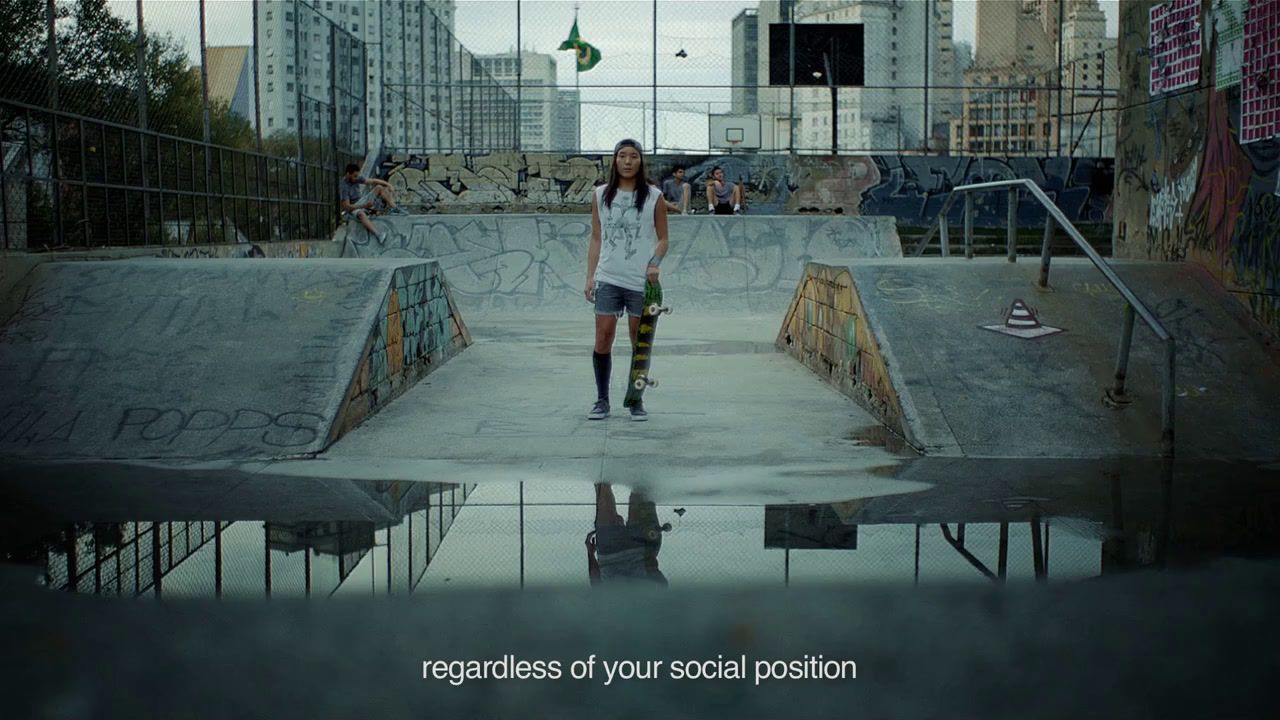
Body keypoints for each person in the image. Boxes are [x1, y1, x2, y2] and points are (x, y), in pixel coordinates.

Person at [584, 138, 669, 422]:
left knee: (639, 342)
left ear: (641, 161)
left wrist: (654, 263)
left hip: (640, 282)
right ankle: (601, 400)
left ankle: (636, 401)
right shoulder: (600, 195)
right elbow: (596, 238)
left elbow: (663, 239)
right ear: (615, 160)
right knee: (603, 337)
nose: (628, 161)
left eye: (634, 156)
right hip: (608, 276)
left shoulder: (654, 196)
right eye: (622, 156)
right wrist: (590, 276)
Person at [585, 483, 669, 587]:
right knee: (603, 489)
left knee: (640, 490)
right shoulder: (605, 601)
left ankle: (639, 475)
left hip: (636, 547)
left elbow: (652, 565)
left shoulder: (655, 598)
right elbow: (595, 579)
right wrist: (590, 554)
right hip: (612, 553)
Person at [339, 162, 407, 235]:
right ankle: (378, 234)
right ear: (348, 174)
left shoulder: (356, 178)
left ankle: (394, 208)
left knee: (379, 187)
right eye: (355, 176)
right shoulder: (344, 187)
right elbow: (347, 207)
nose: (357, 178)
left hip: (361, 201)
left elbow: (373, 181)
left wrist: (388, 184)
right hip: (353, 208)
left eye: (357, 176)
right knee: (361, 214)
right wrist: (364, 206)